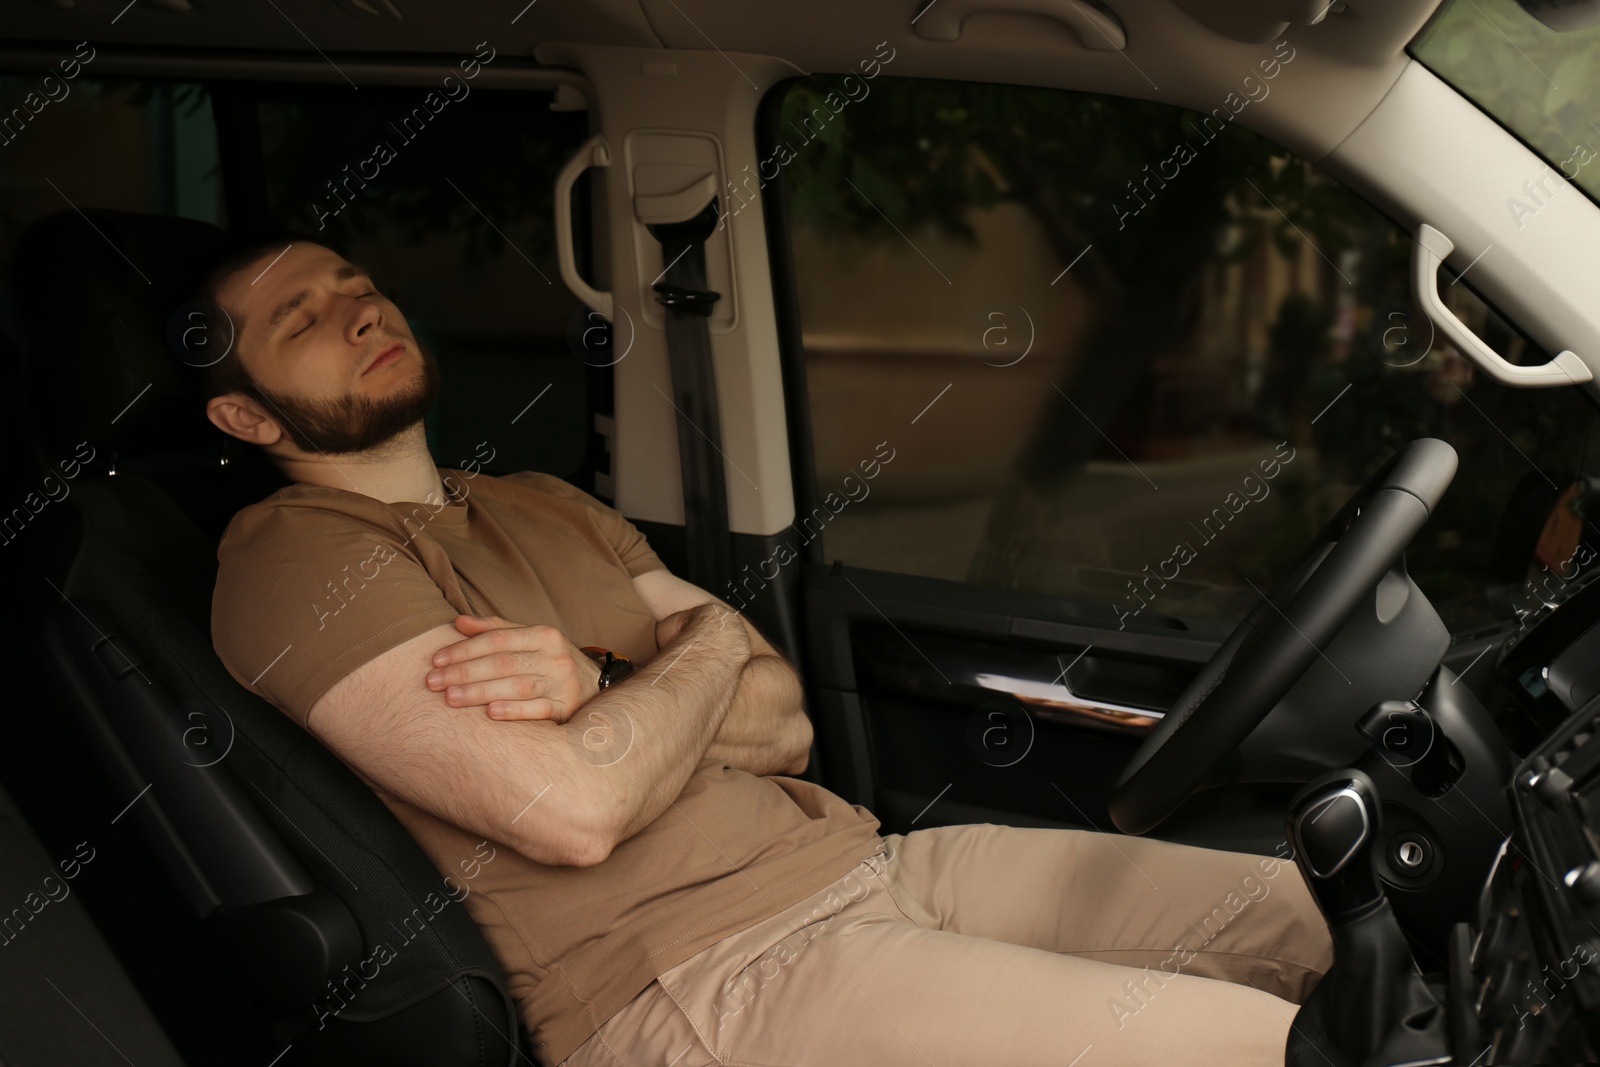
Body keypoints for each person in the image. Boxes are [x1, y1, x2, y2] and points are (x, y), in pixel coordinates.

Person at [200, 238, 1333, 1067]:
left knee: (1330, 915)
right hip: (695, 976)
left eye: (357, 284)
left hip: (871, 868)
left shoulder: (538, 499)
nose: (356, 312)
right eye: (301, 321)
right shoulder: (292, 555)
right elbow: (572, 808)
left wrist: (602, 688)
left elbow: (784, 718)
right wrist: (696, 655)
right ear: (249, 420)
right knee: (1277, 1052)